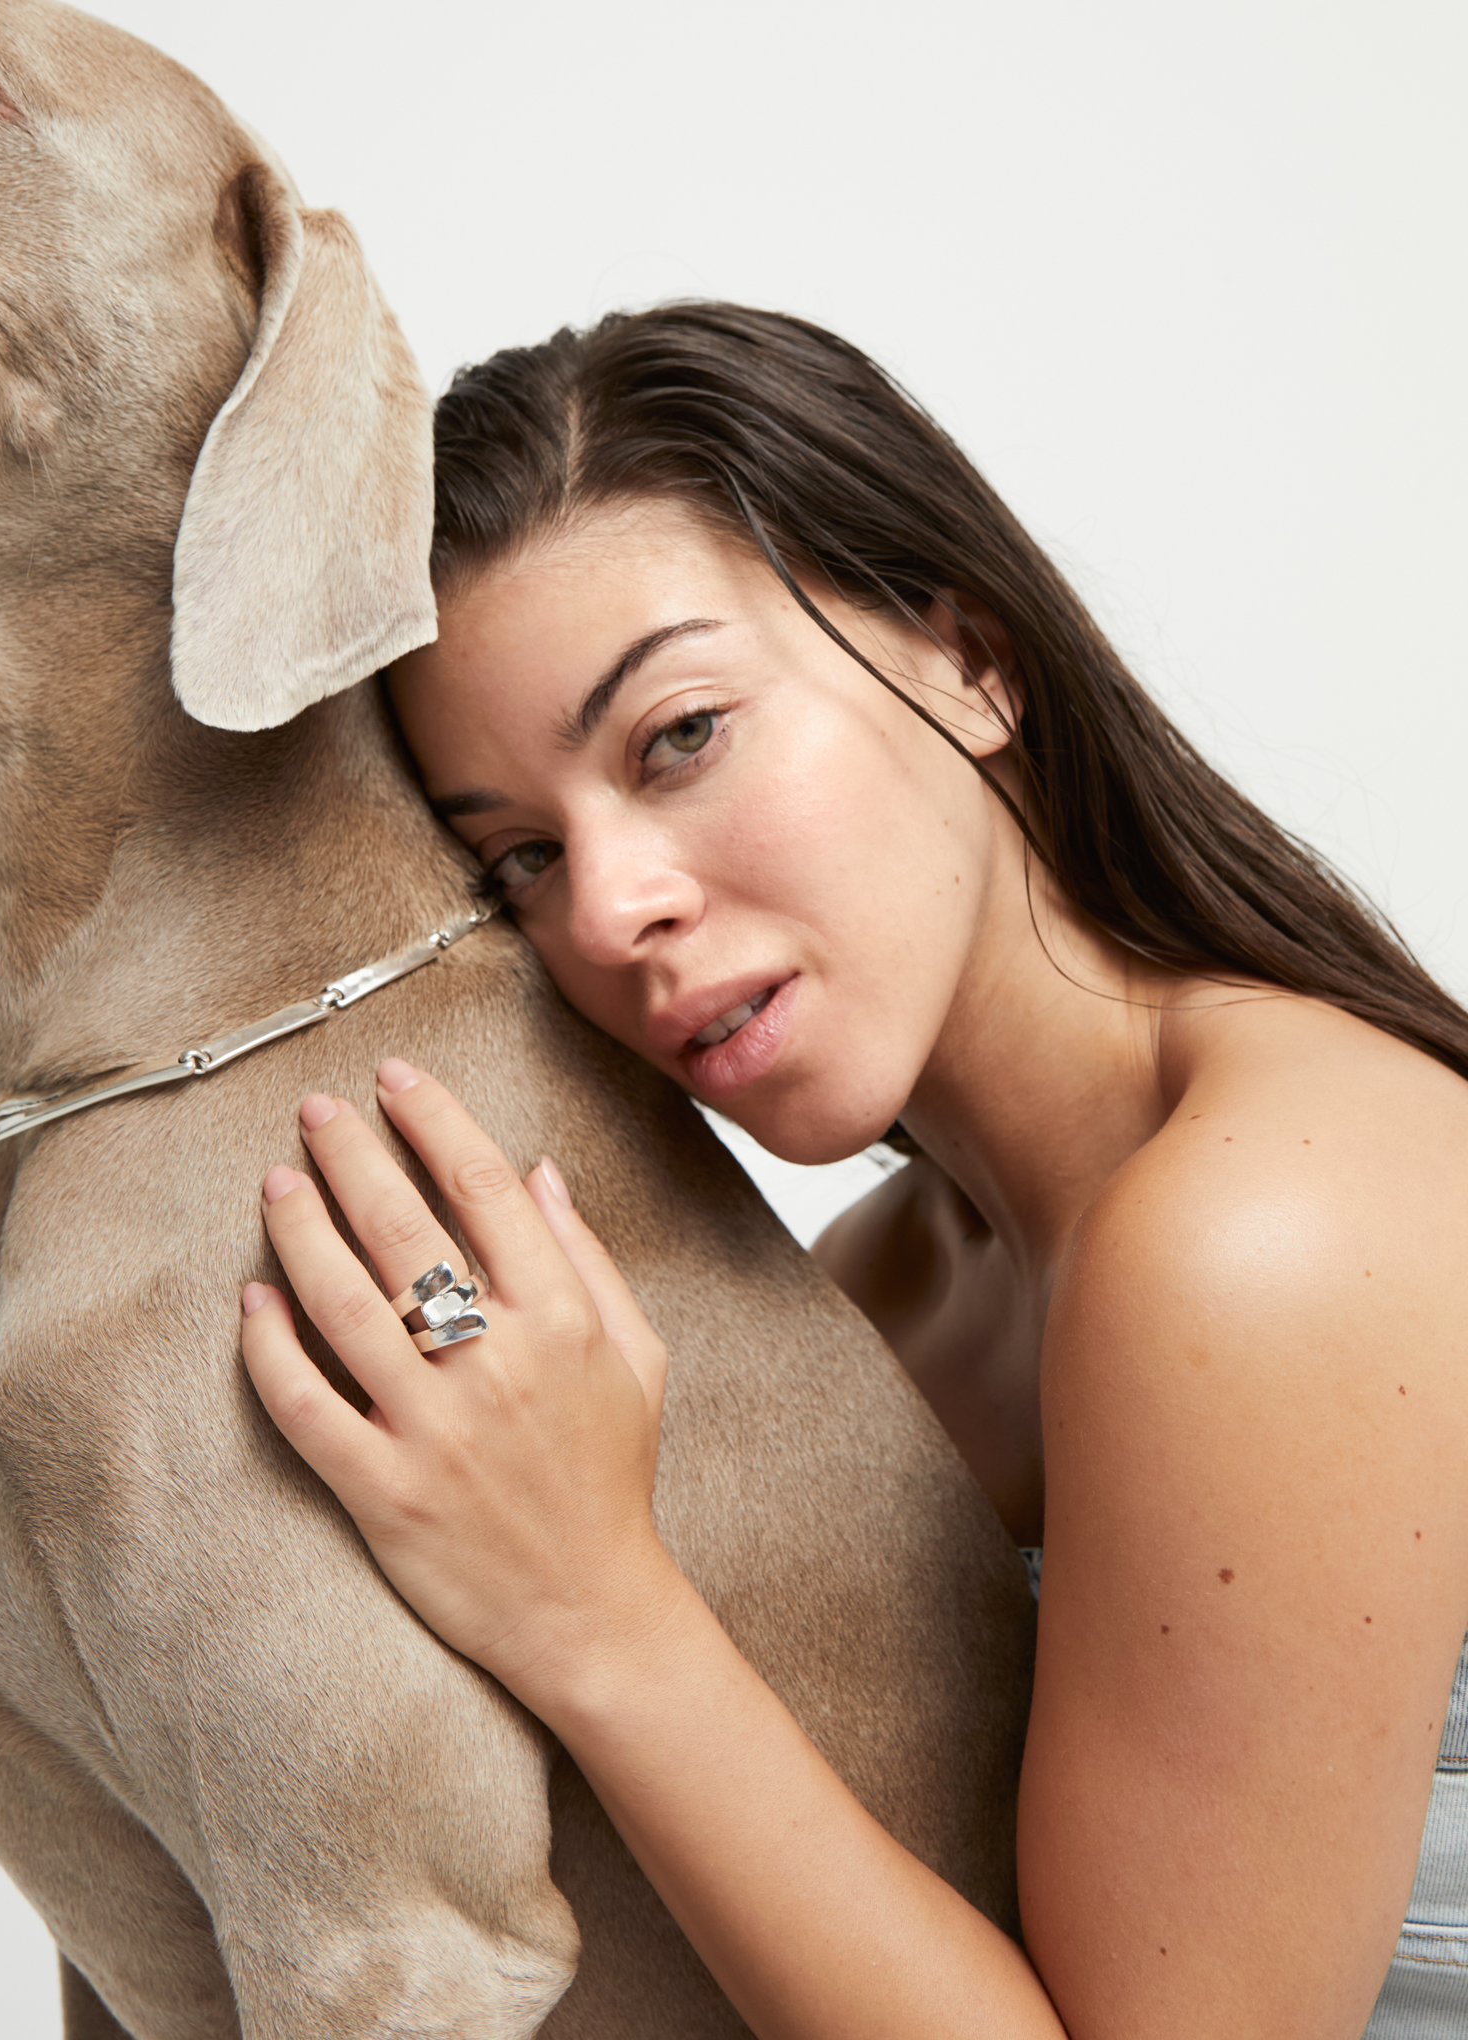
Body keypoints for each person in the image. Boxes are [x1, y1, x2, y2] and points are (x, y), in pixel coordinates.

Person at [237, 303, 1468, 2038]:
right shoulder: (888, 1279)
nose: (605, 913)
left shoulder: (1263, 1228)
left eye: (678, 737)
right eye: (515, 856)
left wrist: (600, 1613)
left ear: (970, 659)